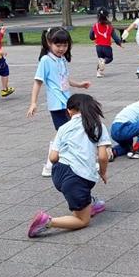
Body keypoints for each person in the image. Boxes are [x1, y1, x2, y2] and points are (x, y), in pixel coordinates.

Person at [27, 94, 111, 236]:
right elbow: (103, 157)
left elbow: (52, 157)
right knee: (82, 220)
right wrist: (103, 172)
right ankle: (47, 221)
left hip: (58, 173)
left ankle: (88, 203)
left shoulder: (63, 128)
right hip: (76, 179)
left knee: (81, 186)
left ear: (69, 111)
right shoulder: (98, 126)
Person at [28, 28, 91, 177]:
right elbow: (38, 82)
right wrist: (33, 103)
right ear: (49, 43)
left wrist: (80, 85)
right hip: (57, 105)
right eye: (58, 45)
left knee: (69, 132)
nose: (62, 49)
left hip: (67, 103)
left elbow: (64, 79)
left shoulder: (61, 59)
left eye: (65, 45)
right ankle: (50, 165)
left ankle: (66, 162)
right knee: (64, 133)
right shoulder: (46, 60)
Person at [91, 9, 123, 78]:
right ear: (107, 16)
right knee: (109, 58)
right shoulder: (109, 26)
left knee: (101, 59)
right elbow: (115, 37)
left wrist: (94, 38)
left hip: (98, 47)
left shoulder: (95, 25)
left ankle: (99, 73)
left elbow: (91, 36)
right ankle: (104, 62)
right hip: (107, 46)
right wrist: (119, 43)